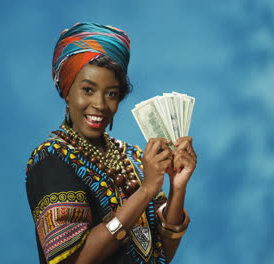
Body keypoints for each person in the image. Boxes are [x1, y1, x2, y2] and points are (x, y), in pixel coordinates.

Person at [25, 22, 197, 264]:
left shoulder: (135, 158)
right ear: (67, 90)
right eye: (87, 90)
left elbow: (161, 254)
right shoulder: (52, 161)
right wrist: (146, 190)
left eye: (112, 93)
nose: (100, 105)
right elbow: (74, 261)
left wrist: (177, 187)